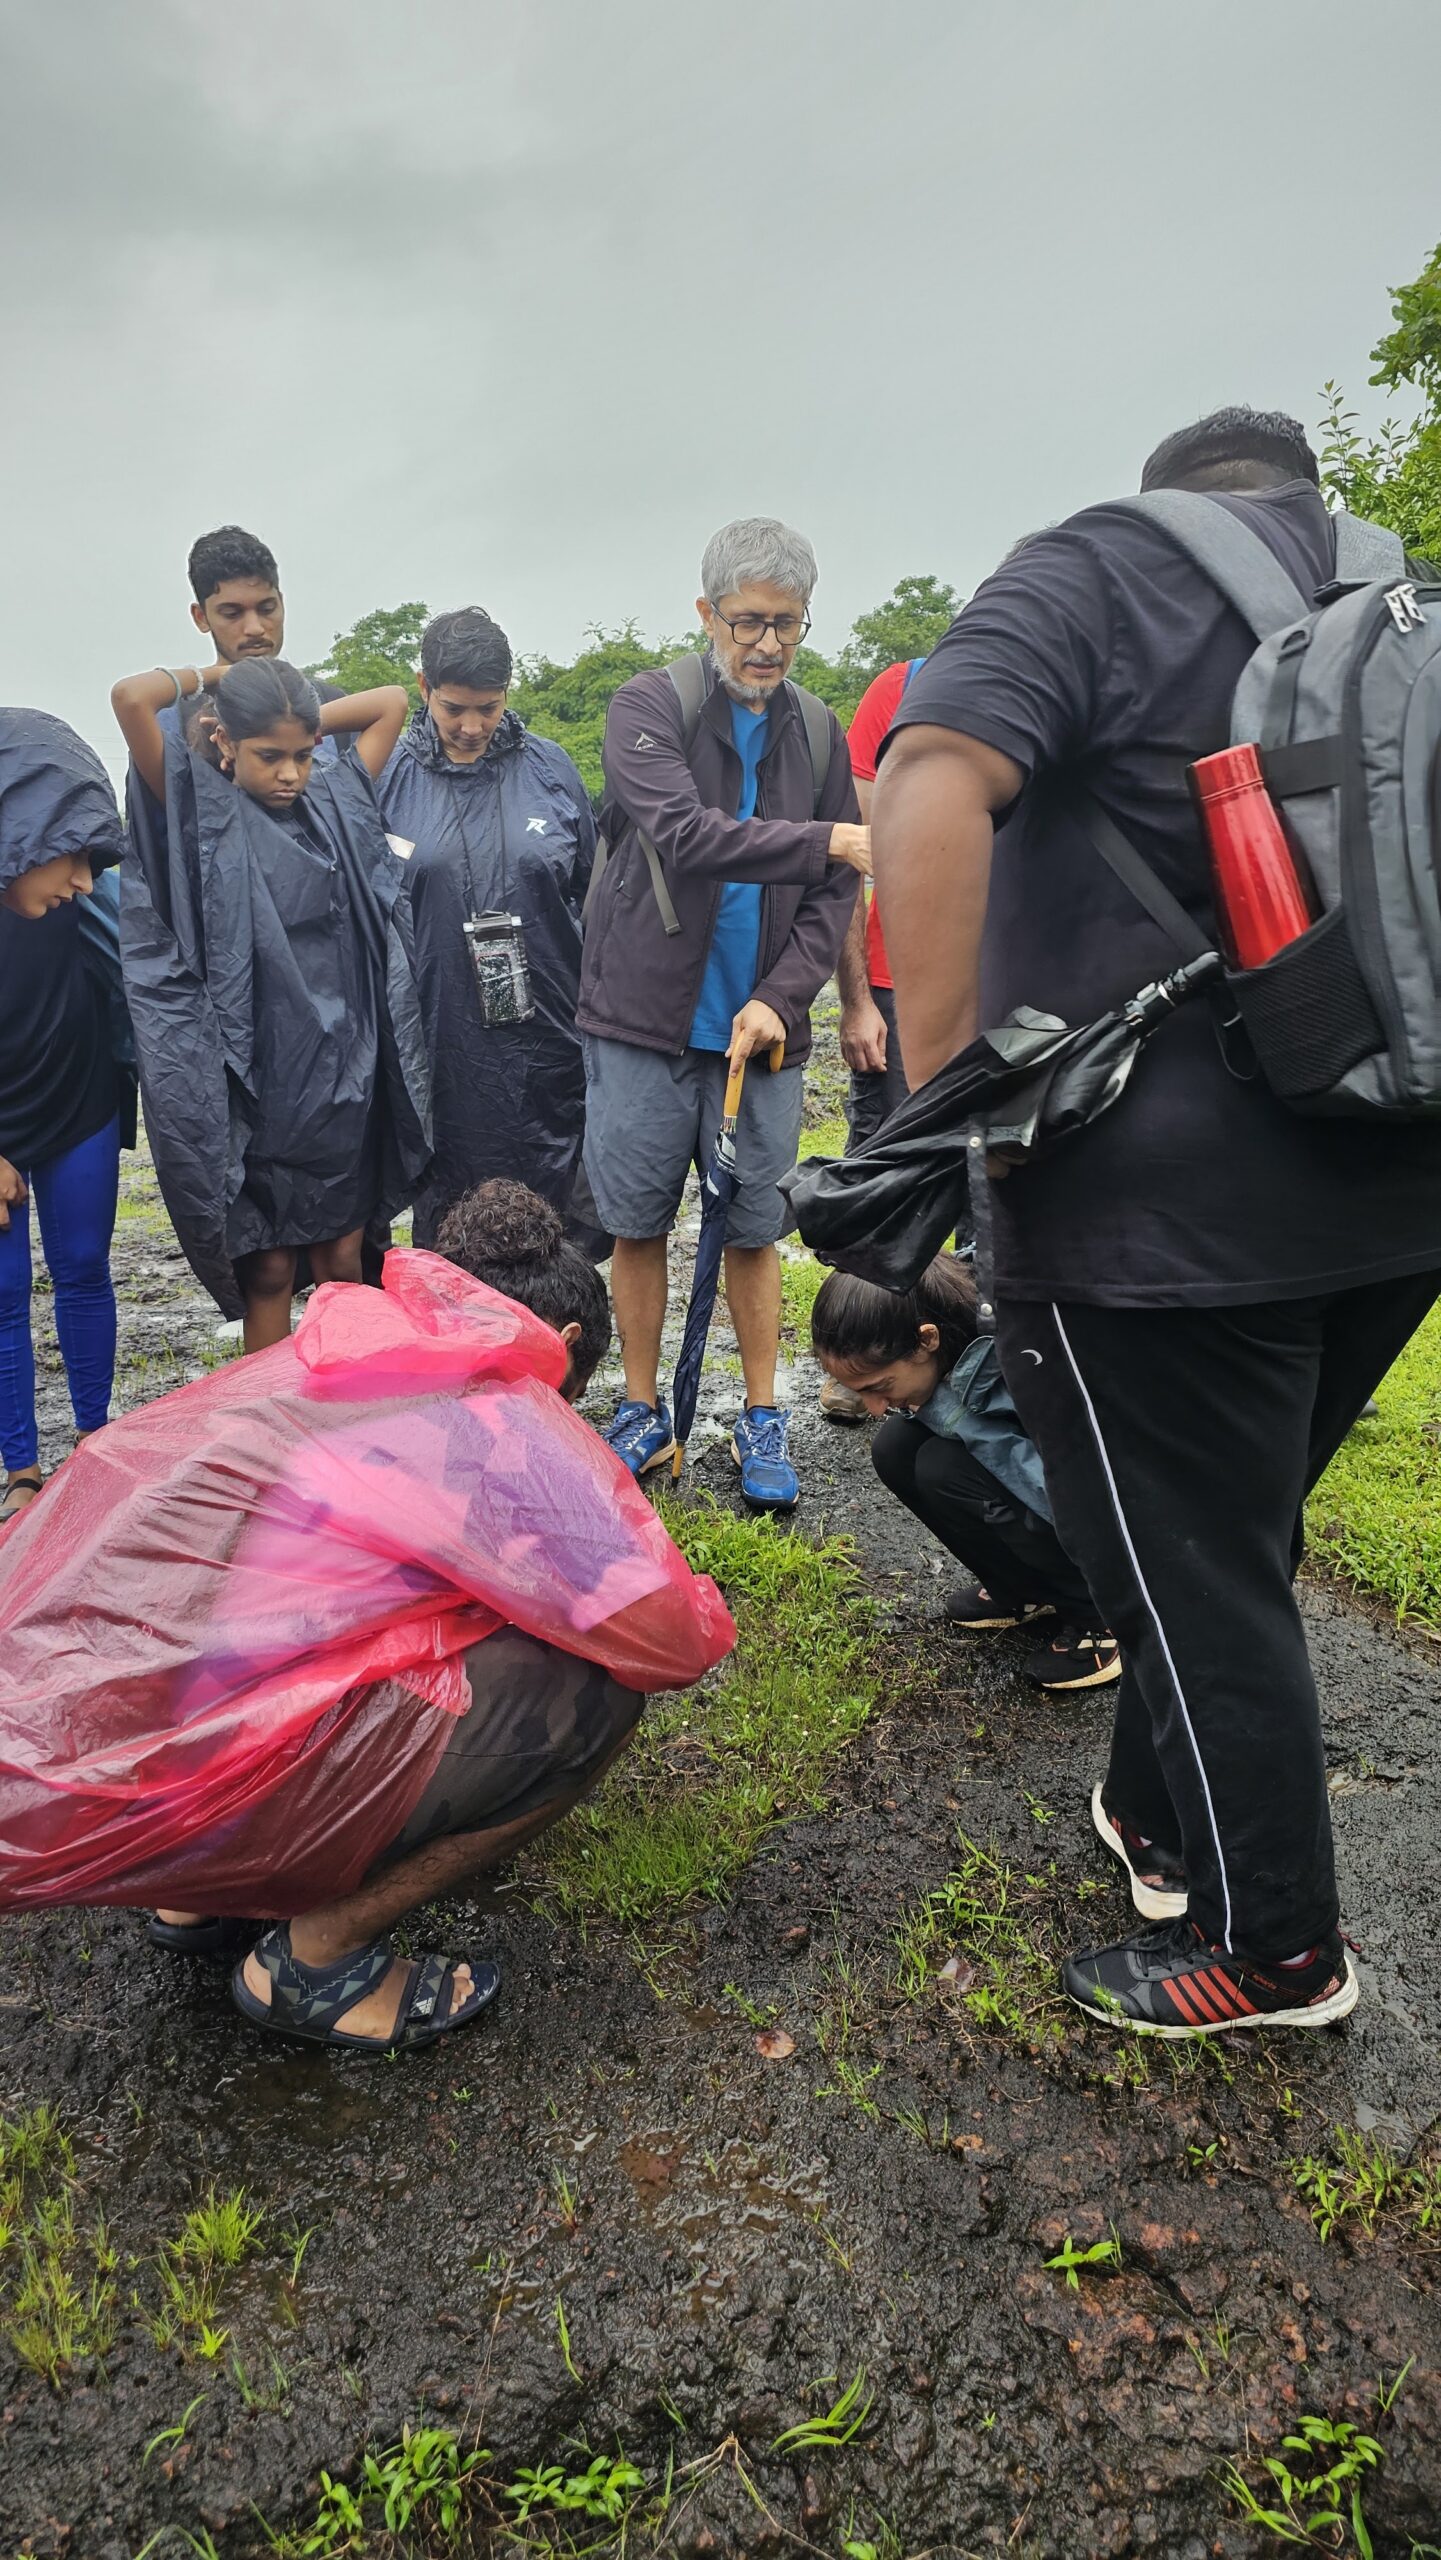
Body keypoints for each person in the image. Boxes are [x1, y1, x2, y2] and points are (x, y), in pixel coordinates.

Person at [871, 402, 1441, 2038]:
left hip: (1156, 1215)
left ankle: (1275, 1954)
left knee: (1195, 1577)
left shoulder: (1089, 574)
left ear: (1167, 497)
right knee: (1228, 1540)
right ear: (1299, 503)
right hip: (1399, 1184)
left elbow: (925, 784)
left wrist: (945, 1117)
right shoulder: (1394, 597)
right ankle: (1160, 1818)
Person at [0, 1183, 732, 2054]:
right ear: (563, 1345)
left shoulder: (332, 1358)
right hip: (251, 1763)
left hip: (161, 1759)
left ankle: (198, 1899)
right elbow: (668, 1640)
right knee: (597, 1695)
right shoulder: (498, 1405)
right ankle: (313, 1963)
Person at [577, 516, 870, 1510]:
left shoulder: (819, 732)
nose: (766, 645)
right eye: (747, 621)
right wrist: (832, 836)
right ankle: (642, 1405)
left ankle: (758, 1415)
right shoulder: (644, 708)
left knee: (752, 1230)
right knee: (636, 1221)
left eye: (786, 624)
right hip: (641, 1021)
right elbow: (686, 834)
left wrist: (777, 999)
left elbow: (836, 898)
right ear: (706, 613)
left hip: (761, 1032)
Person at [113, 655, 431, 1351]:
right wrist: (217, 680)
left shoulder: (337, 798)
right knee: (269, 1271)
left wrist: (296, 712)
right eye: (269, 755)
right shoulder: (193, 807)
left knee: (343, 1262)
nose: (289, 773)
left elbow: (386, 704)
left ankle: (348, 1420)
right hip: (253, 1089)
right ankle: (271, 1435)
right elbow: (131, 699)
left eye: (303, 755)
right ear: (223, 741)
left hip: (342, 1079)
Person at [377, 609, 598, 1245]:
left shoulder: (551, 771)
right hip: (437, 1034)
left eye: (490, 707)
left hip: (548, 1035)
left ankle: (554, 1335)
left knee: (551, 1211)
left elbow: (595, 893)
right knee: (450, 1210)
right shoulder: (387, 775)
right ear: (423, 688)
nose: (472, 727)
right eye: (454, 709)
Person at [811, 1257, 1119, 1691]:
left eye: (879, 1387)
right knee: (895, 1448)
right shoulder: (954, 1342)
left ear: (926, 1341)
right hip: (1043, 1483)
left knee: (944, 1468)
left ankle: (1099, 1618)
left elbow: (1064, 1488)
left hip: (1104, 1506)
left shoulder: (1021, 1351)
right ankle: (1022, 1589)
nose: (875, 1409)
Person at [0, 712, 130, 1522]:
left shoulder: (88, 906)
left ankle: (94, 1441)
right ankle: (19, 1467)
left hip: (81, 1096)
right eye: (72, 857)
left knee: (83, 1265)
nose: (86, 880)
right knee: (4, 1290)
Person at [821, 656, 925, 1423]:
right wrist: (856, 1000)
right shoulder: (901, 688)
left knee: (990, 1169)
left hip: (1004, 974)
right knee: (882, 1170)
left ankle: (958, 1349)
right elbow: (853, 860)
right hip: (894, 976)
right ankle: (857, 1350)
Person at [173, 524, 341, 759]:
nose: (255, 628)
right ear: (201, 617)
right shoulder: (172, 718)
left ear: (281, 603)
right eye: (232, 613)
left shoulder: (334, 702)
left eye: (267, 608)